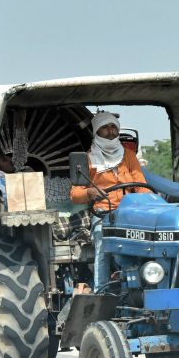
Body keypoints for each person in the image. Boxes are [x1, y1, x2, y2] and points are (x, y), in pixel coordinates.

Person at [70, 111, 152, 288]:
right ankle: (101, 289)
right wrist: (90, 192)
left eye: (113, 127)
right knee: (102, 243)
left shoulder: (128, 155)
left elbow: (141, 184)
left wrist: (147, 202)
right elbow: (75, 194)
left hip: (131, 211)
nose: (110, 131)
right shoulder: (87, 159)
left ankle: (145, 283)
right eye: (105, 128)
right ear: (96, 132)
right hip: (103, 213)